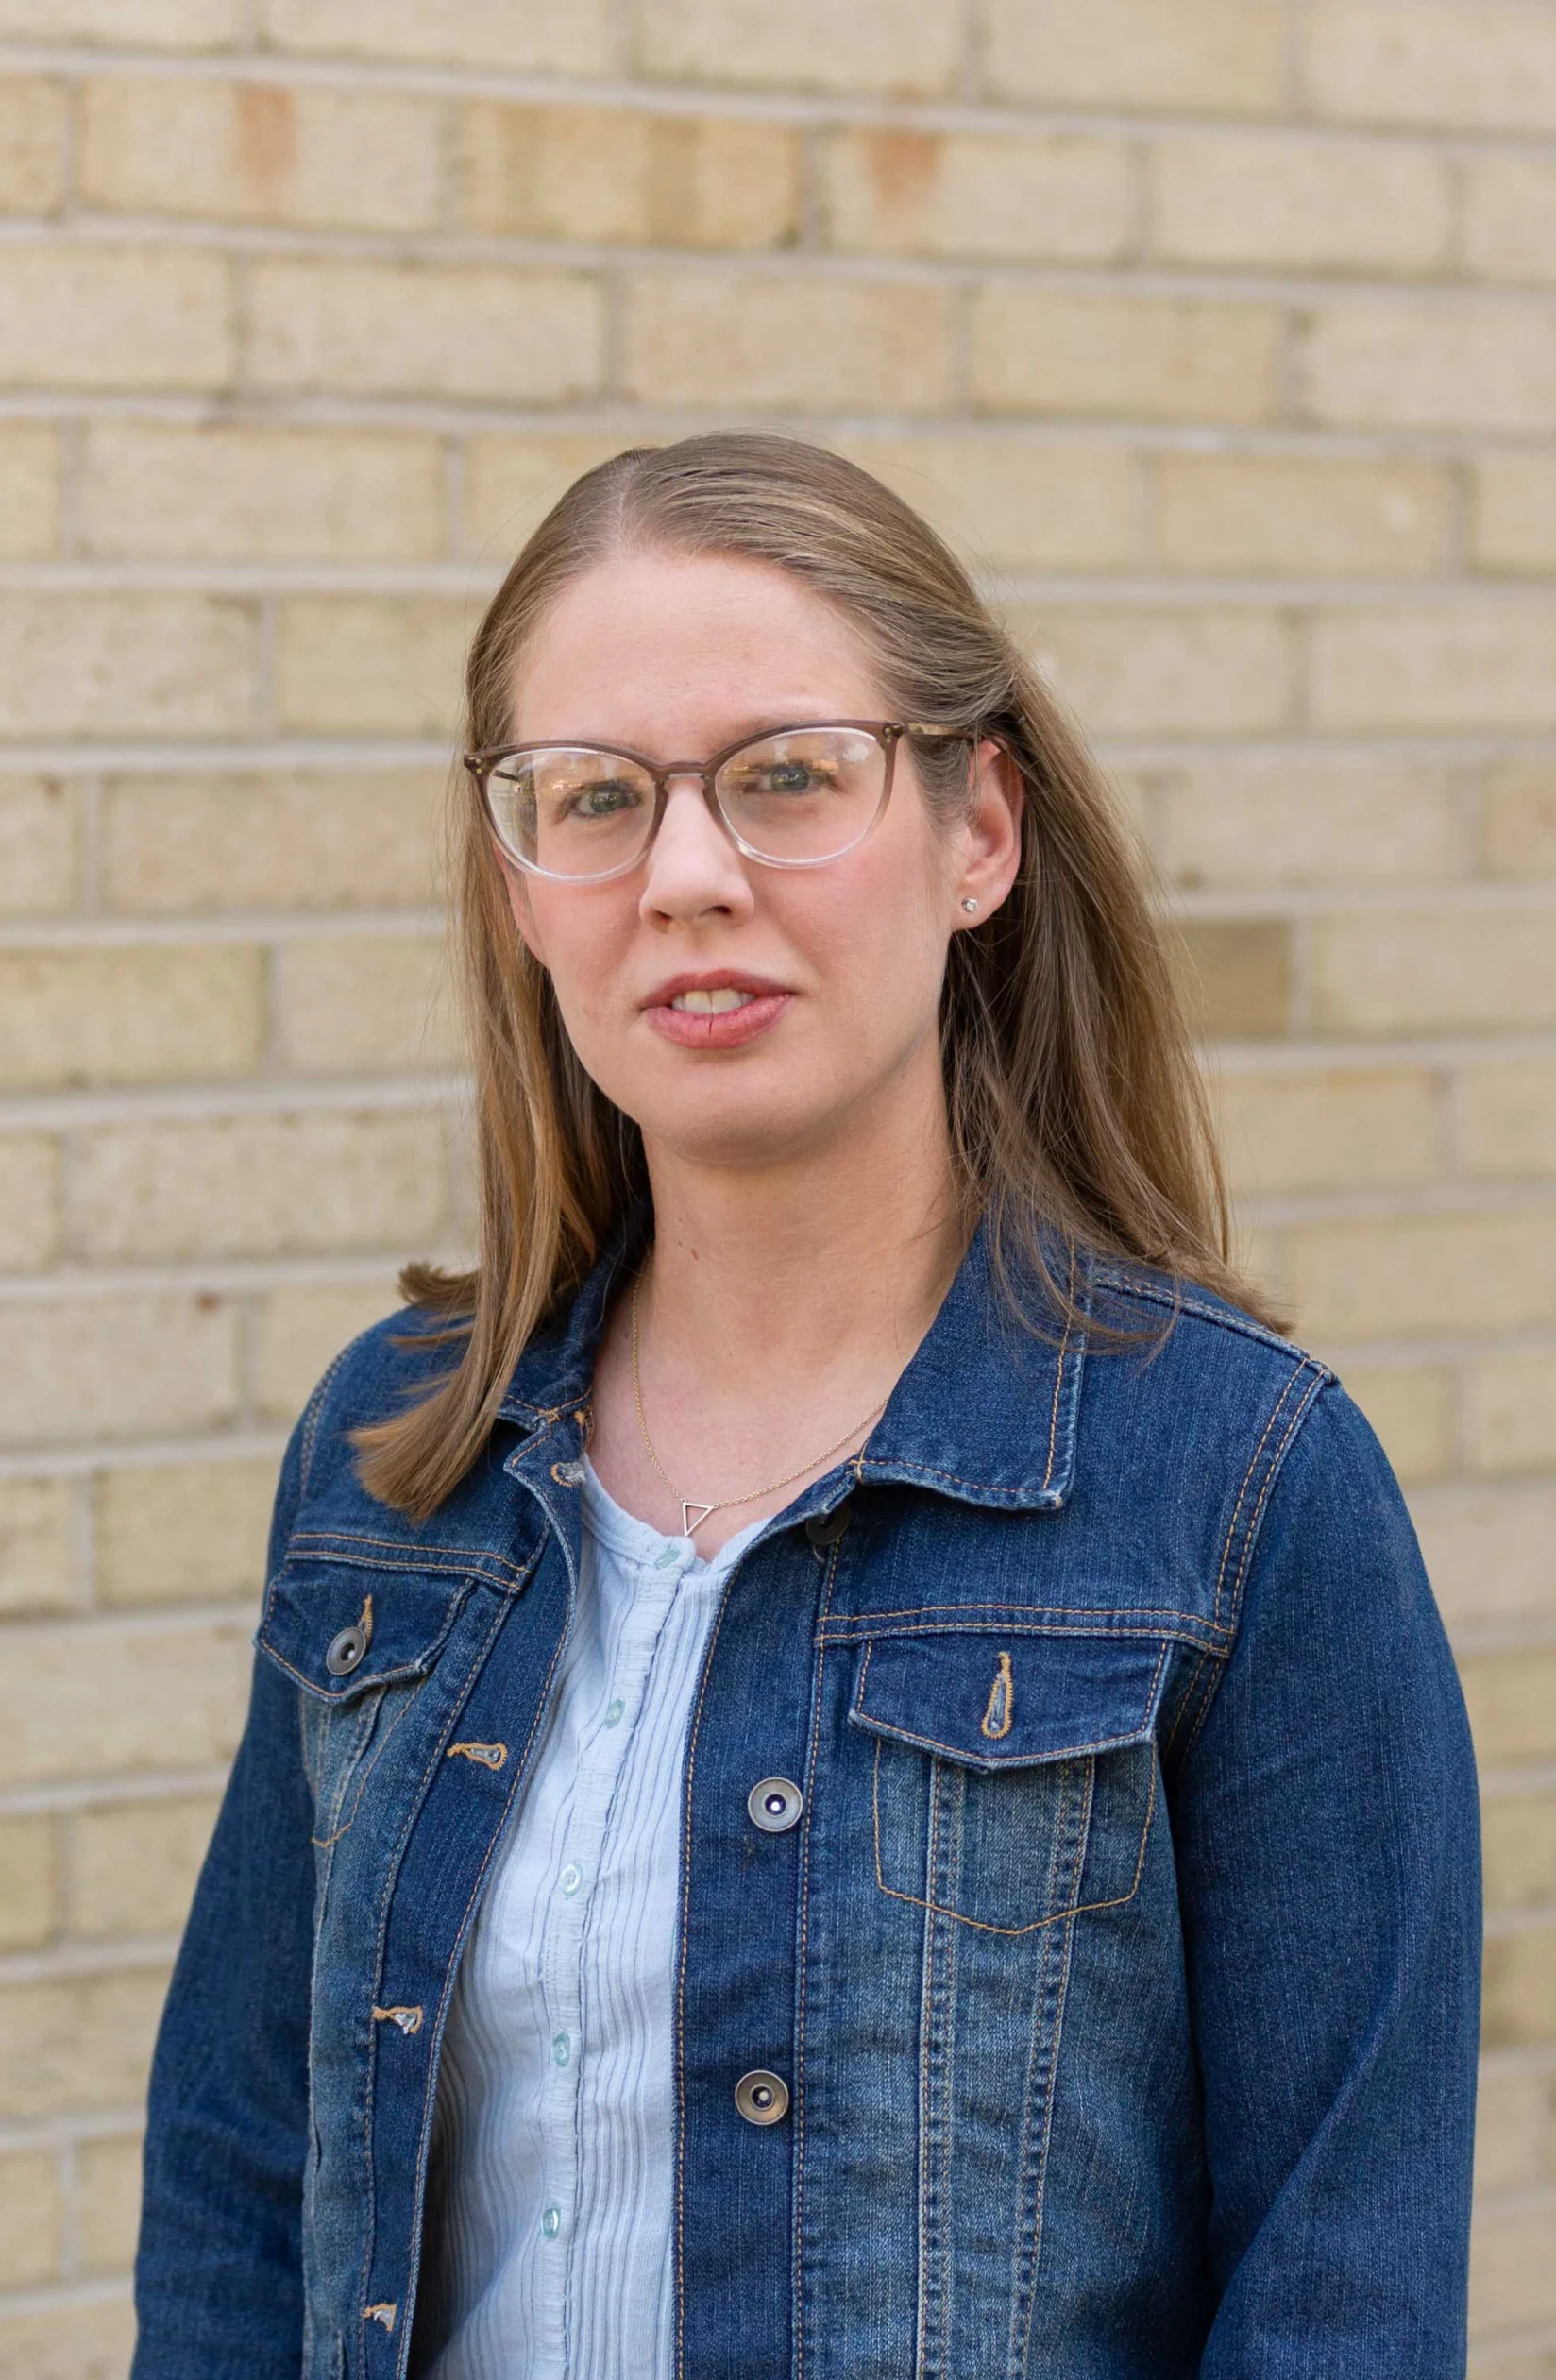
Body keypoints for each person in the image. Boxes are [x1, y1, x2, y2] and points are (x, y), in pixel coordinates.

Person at [132, 433, 1480, 2380]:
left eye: (784, 777)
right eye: (591, 798)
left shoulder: (1237, 1489)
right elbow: (240, 2191)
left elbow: (1339, 2298)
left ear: (977, 833)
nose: (686, 878)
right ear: (519, 886)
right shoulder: (393, 1462)